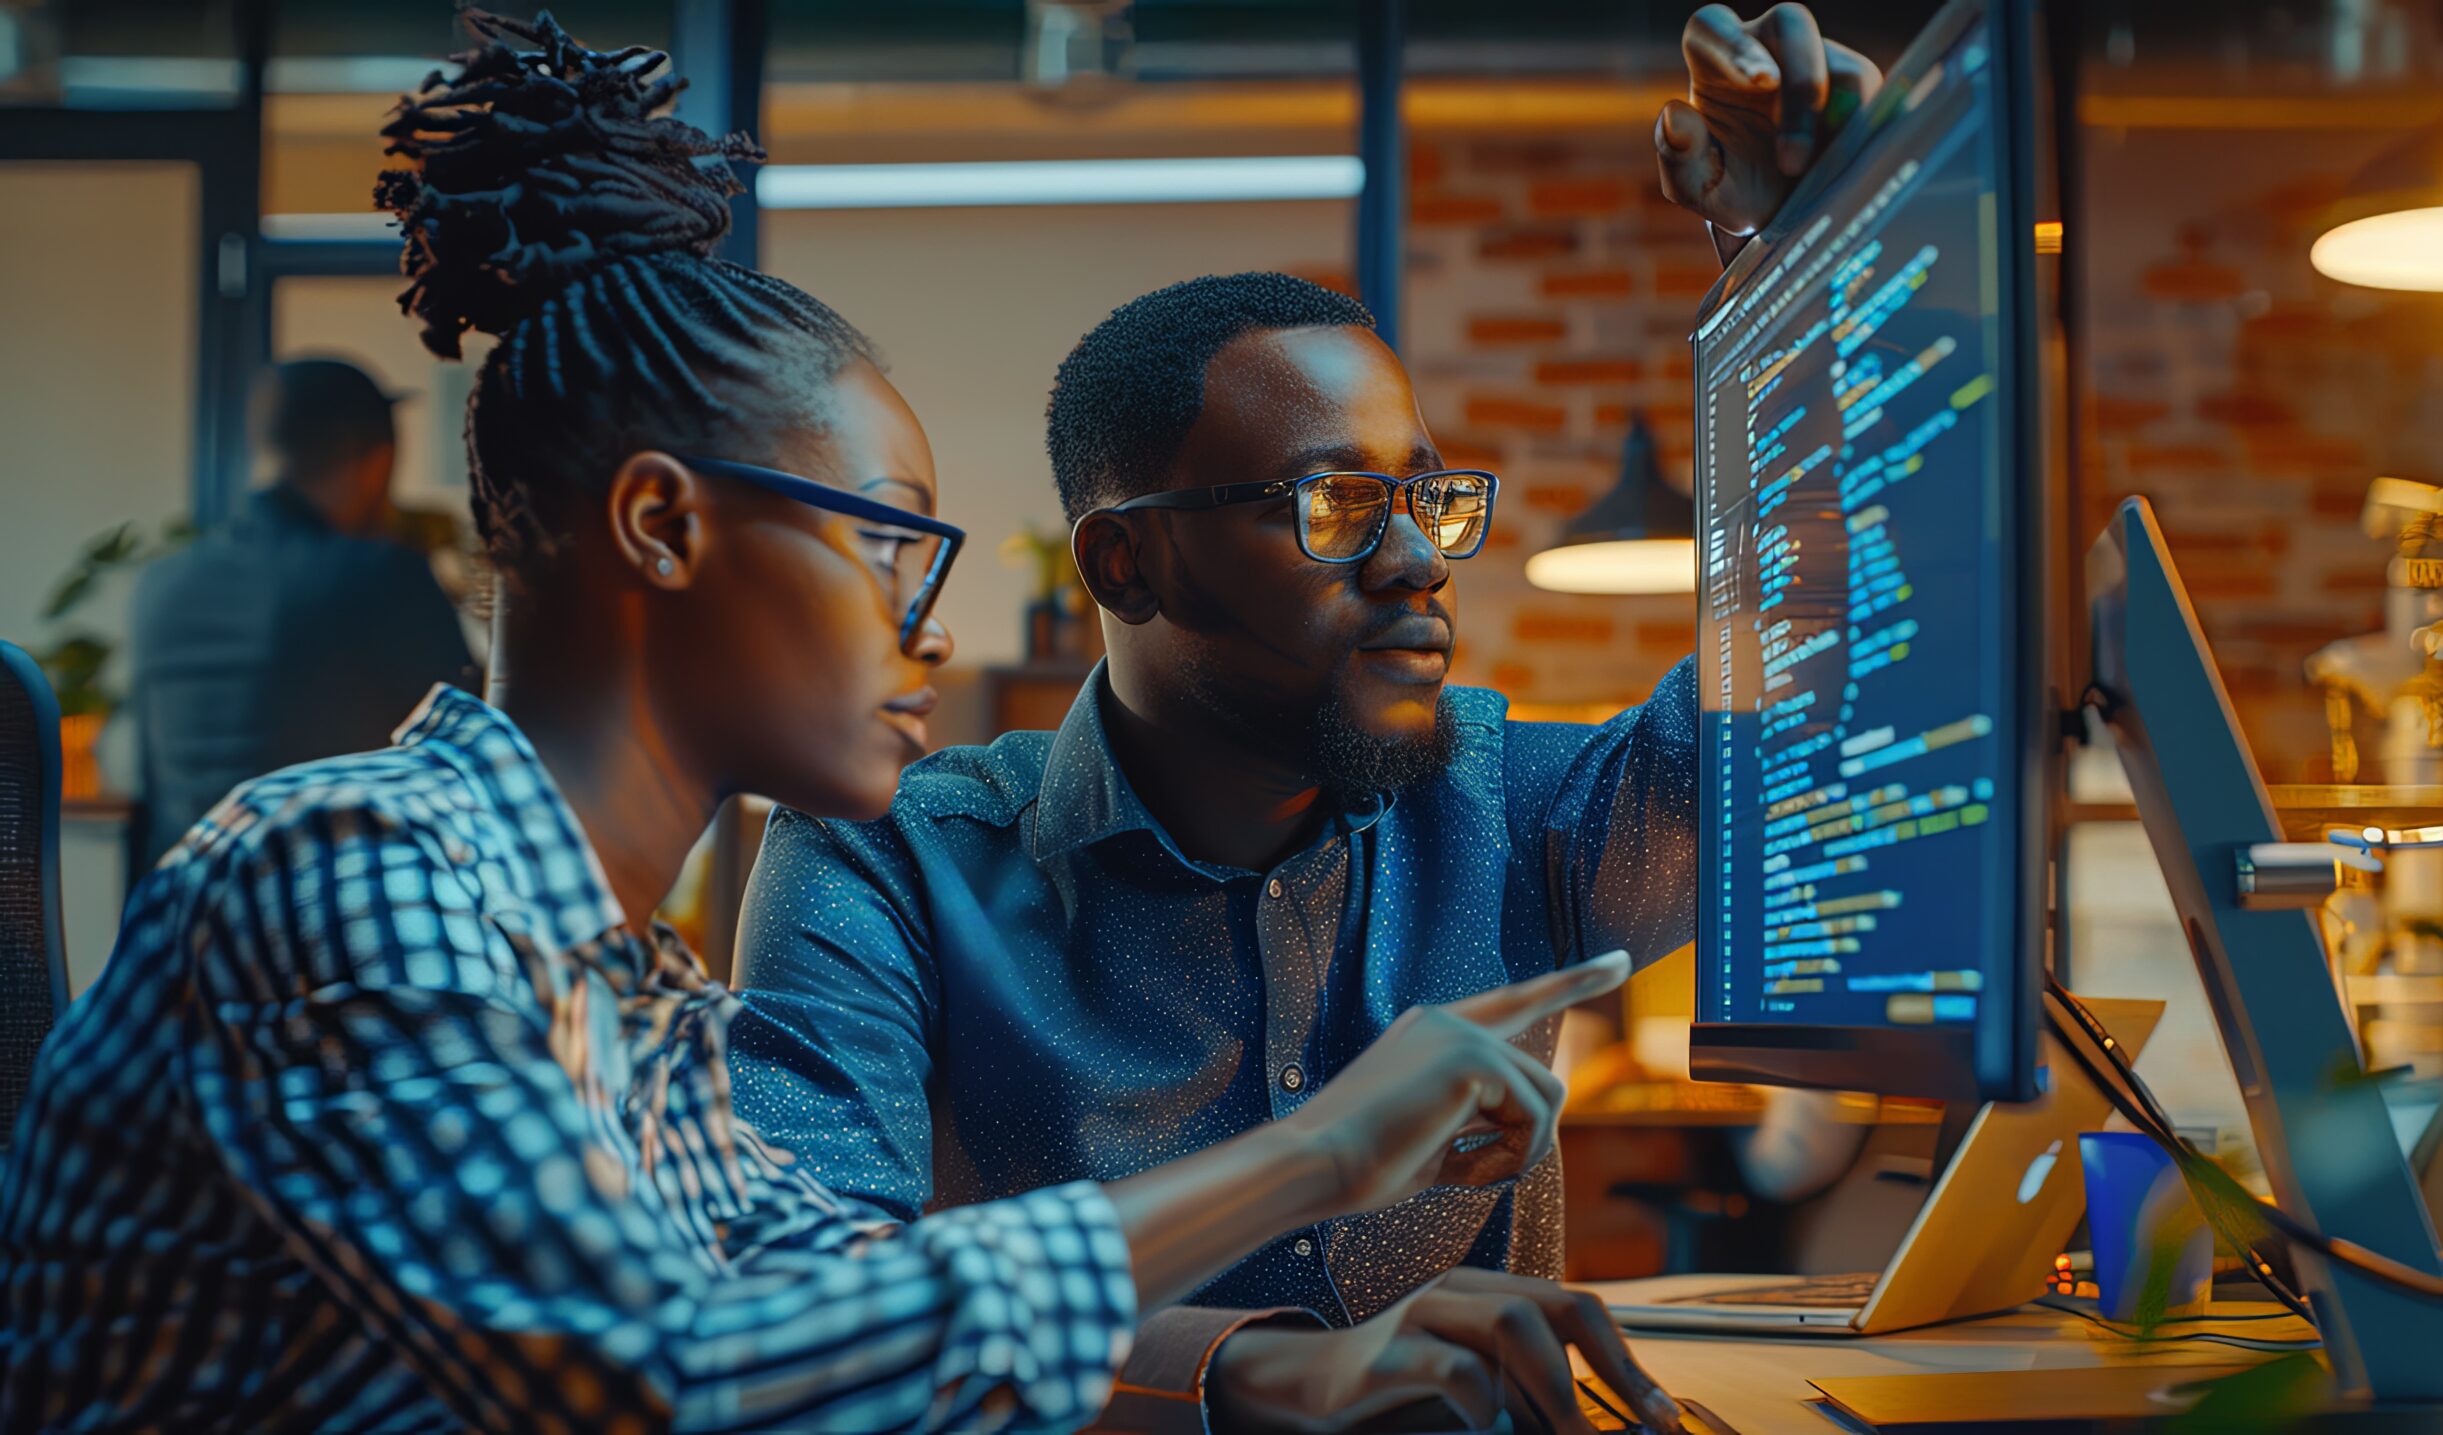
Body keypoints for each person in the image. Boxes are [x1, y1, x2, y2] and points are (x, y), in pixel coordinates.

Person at [0, 13, 1661, 1432]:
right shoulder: (357, 863)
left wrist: (1287, 1369)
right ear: (663, 528)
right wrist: (1319, 1151)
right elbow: (669, 1383)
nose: (929, 626)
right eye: (887, 544)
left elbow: (840, 1302)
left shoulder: (622, 989)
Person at [728, 4, 1883, 1427]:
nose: (1415, 560)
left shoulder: (1519, 812)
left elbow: (1816, 671)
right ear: (1123, 560)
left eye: (1427, 498)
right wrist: (1245, 1370)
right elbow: (811, 1312)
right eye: (1334, 505)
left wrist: (1810, 267)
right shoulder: (890, 857)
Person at [128, 356, 478, 861]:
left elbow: (152, 792)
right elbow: (472, 746)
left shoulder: (161, 583)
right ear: (379, 462)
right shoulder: (378, 574)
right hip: (324, 913)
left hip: (182, 916)